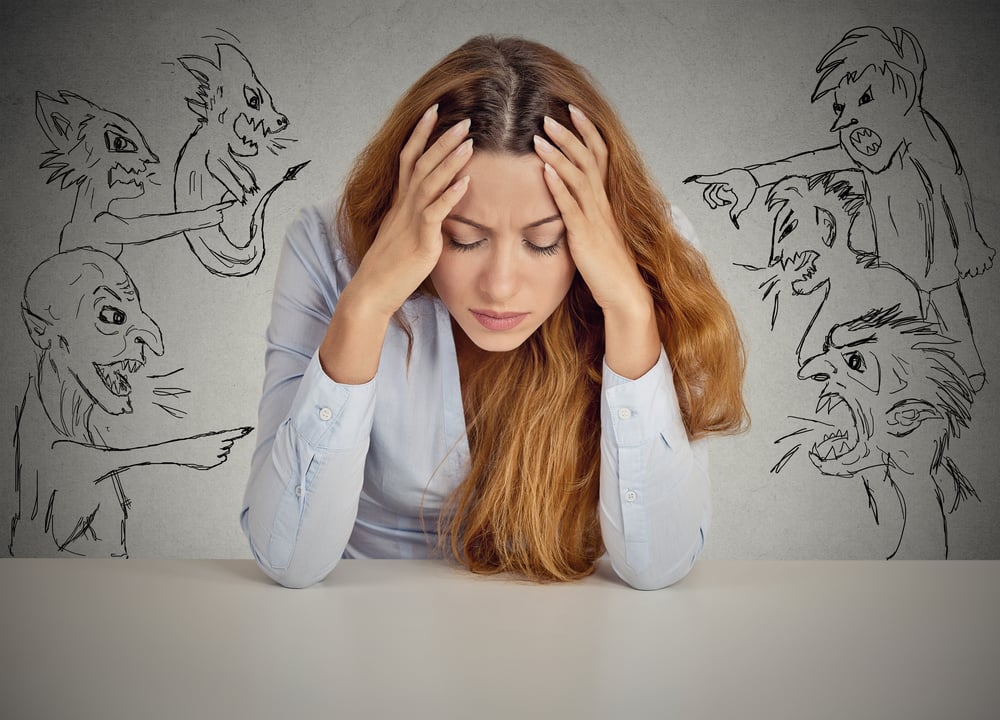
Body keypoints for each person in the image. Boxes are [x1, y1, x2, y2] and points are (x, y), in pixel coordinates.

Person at [241, 35, 747, 590]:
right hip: (371, 626)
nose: (501, 287)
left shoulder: (655, 254)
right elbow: (286, 557)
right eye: (462, 239)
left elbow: (658, 566)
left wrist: (628, 307)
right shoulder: (326, 249)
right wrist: (366, 304)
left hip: (570, 633)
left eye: (545, 242)